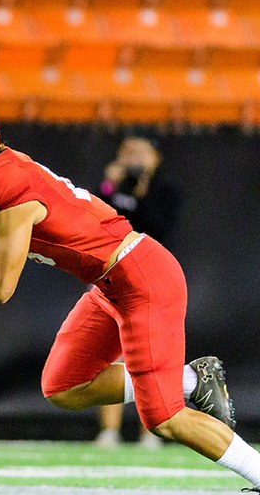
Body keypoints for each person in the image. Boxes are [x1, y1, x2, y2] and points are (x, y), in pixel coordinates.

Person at [0, 96, 259, 492]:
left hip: (140, 279)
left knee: (165, 418)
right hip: (110, 283)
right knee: (63, 386)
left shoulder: (5, 184)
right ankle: (189, 380)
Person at [95, 135, 183, 448]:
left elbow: (157, 230)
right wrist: (109, 186)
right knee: (110, 356)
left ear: (156, 159)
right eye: (128, 152)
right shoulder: (108, 188)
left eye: (141, 153)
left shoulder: (165, 191)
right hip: (112, 280)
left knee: (151, 357)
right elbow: (93, 222)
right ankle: (109, 431)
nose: (134, 159)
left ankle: (152, 431)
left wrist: (141, 194)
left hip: (151, 281)